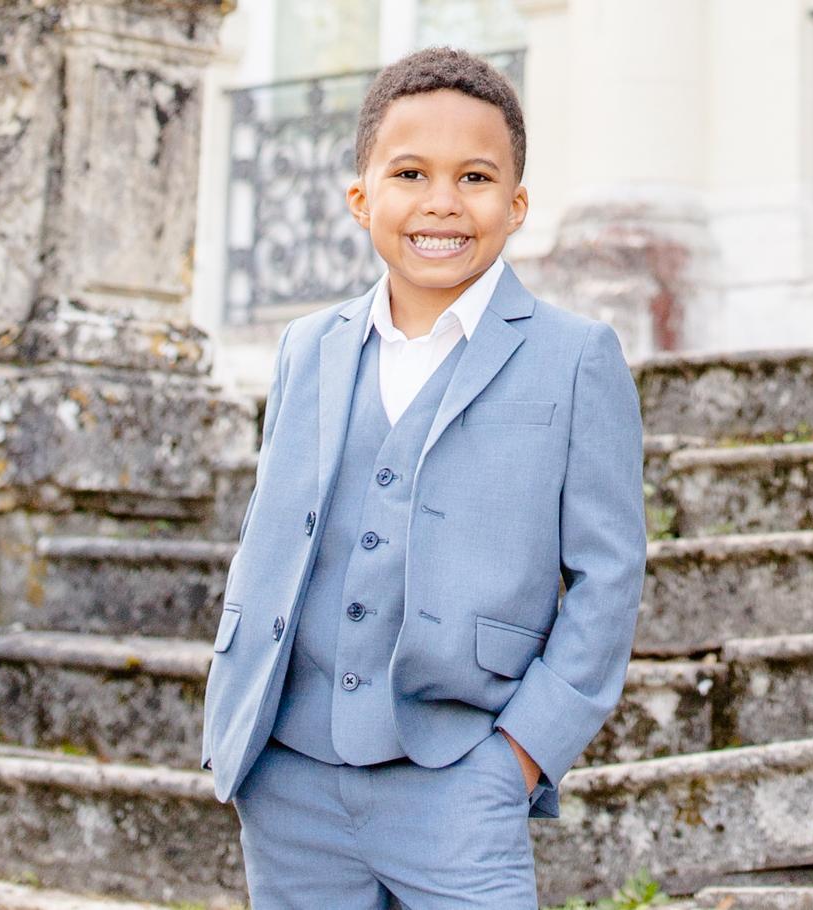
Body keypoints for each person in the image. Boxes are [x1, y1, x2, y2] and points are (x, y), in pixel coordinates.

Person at [201, 46, 646, 909]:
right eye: (410, 172)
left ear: (516, 205)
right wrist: (237, 726)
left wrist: (518, 757)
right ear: (362, 196)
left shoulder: (574, 358)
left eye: (475, 177)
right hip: (289, 776)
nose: (442, 201)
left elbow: (608, 577)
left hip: (460, 780)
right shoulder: (307, 347)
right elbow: (274, 534)